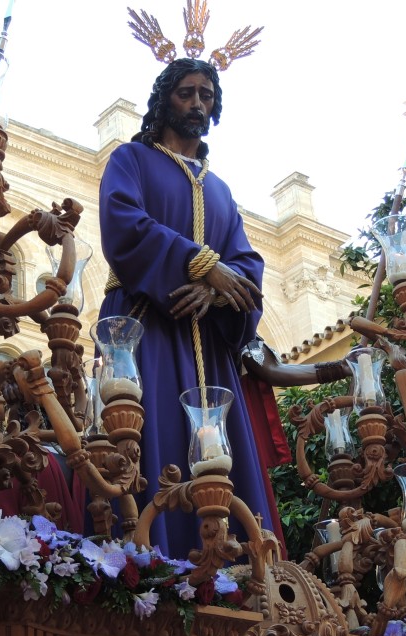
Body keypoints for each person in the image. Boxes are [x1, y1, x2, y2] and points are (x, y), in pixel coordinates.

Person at [98, 57, 278, 559]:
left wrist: (218, 290)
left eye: (206, 94)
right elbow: (123, 224)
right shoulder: (131, 160)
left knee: (223, 463)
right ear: (165, 100)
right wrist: (201, 265)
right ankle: (147, 562)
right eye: (186, 93)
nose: (198, 103)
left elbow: (248, 265)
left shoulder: (220, 191)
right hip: (147, 331)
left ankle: (234, 570)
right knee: (147, 442)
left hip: (209, 348)